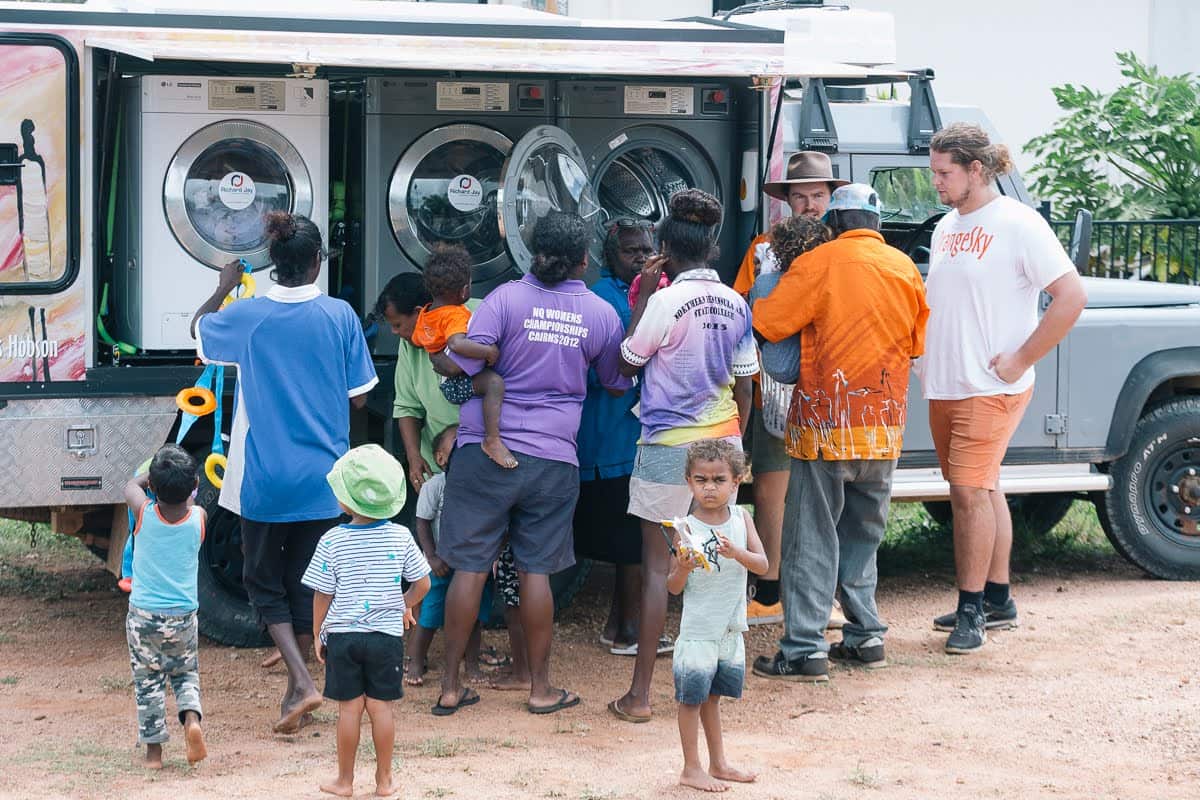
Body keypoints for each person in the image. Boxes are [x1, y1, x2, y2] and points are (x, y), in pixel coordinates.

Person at [434, 211, 631, 716]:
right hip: (554, 458)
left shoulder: (502, 300)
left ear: (530, 252)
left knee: (470, 568)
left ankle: (451, 686)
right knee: (536, 571)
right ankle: (541, 688)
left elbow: (464, 365)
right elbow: (614, 381)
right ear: (584, 260)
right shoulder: (600, 313)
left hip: (483, 451)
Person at [192, 212, 378, 733]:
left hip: (266, 477)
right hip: (324, 480)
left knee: (260, 578)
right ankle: (299, 685)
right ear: (319, 261)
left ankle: (299, 681)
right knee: (303, 579)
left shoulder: (248, 315)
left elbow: (199, 333)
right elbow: (360, 395)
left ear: (274, 263)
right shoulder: (339, 316)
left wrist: (222, 288)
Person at [920, 123, 1087, 654]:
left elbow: (1070, 295)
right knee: (983, 485)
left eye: (944, 173)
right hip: (947, 382)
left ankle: (971, 611)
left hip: (991, 384)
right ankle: (998, 598)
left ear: (976, 169)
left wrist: (1021, 359)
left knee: (967, 494)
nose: (936, 183)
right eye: (933, 173)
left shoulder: (1019, 224)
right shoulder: (948, 225)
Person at [751, 184, 928, 682]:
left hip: (825, 426)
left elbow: (768, 322)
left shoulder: (821, 262)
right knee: (864, 534)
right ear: (876, 224)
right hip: (884, 427)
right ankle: (866, 636)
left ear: (835, 222)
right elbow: (915, 344)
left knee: (812, 537)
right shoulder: (905, 268)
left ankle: (804, 648)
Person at [609, 189, 758, 724]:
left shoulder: (667, 302)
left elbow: (627, 364)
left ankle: (641, 697)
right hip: (723, 447)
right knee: (713, 567)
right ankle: (710, 691)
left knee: (657, 569)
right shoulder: (737, 303)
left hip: (668, 447)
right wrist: (739, 452)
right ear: (713, 247)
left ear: (666, 248)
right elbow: (745, 383)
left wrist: (644, 299)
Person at [374, 274, 529, 690]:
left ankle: (462, 666)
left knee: (483, 564)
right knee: (455, 566)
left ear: (421, 311)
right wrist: (412, 457)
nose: (396, 334)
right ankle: (435, 663)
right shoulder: (413, 345)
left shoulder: (473, 318)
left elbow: (503, 381)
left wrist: (466, 433)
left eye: (397, 323)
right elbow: (406, 405)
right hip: (443, 463)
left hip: (487, 451)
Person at [734, 151, 848, 628]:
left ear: (830, 197)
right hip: (777, 389)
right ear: (786, 200)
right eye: (799, 196)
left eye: (817, 195)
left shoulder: (848, 251)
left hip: (833, 387)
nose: (808, 204)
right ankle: (771, 589)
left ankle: (826, 592)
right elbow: (742, 310)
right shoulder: (762, 248)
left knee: (830, 495)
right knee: (772, 489)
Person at [301, 444, 431, 798]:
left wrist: (317, 633)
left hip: (343, 637)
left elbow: (322, 594)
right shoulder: (401, 536)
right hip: (385, 638)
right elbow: (423, 583)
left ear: (346, 501)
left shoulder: (332, 540)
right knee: (380, 707)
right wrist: (401, 603)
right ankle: (384, 781)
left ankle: (344, 782)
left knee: (350, 709)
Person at [574, 218, 655, 655]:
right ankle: (627, 630)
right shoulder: (602, 301)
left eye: (646, 249)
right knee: (631, 540)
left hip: (635, 437)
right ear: (609, 258)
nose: (641, 257)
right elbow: (614, 372)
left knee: (637, 535)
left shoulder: (649, 294)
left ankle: (618, 624)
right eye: (630, 251)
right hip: (610, 436)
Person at [669, 439, 766, 793]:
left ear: (737, 481)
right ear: (689, 481)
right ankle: (691, 768)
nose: (710, 487)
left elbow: (764, 564)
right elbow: (674, 587)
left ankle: (719, 762)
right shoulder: (686, 528)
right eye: (701, 479)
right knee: (691, 699)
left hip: (728, 629)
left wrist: (737, 552)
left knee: (712, 698)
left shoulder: (742, 518)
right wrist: (681, 567)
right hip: (698, 632)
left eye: (719, 480)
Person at [122, 444, 207, 768]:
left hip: (144, 618)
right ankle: (191, 721)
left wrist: (149, 477)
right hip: (183, 618)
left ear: (153, 488)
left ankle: (154, 755)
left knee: (148, 683)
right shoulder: (199, 518)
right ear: (194, 487)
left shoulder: (144, 514)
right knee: (186, 674)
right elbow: (188, 501)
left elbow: (130, 487)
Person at [413, 244, 515, 470]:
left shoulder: (427, 312)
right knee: (495, 384)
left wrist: (435, 353)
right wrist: (488, 352)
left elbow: (420, 340)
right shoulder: (455, 314)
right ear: (462, 291)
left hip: (444, 382)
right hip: (455, 383)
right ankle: (493, 439)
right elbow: (456, 343)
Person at [408, 425, 491, 686]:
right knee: (429, 616)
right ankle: (415, 662)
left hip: (474, 564)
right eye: (458, 445)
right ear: (440, 458)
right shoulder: (435, 486)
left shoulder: (482, 486)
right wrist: (431, 558)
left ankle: (473, 664)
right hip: (440, 564)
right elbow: (422, 522)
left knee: (474, 618)